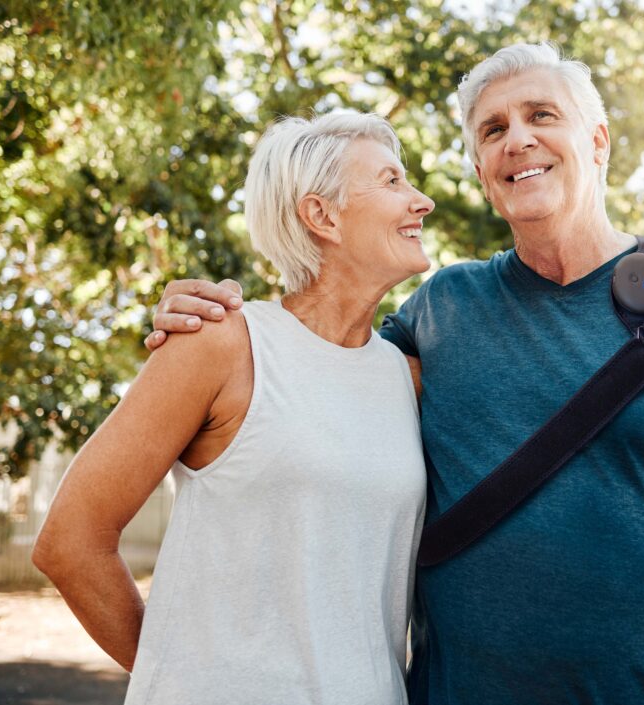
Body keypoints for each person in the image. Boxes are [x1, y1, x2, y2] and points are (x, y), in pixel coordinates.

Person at [147, 43, 644, 704]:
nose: (516, 138)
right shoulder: (440, 310)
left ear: (598, 141)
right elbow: (308, 372)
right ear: (486, 176)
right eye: (491, 131)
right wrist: (220, 319)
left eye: (541, 115)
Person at [32, 112, 434, 704]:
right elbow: (71, 540)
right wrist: (186, 677)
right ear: (321, 214)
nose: (421, 201)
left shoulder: (407, 377)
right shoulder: (221, 343)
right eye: (392, 181)